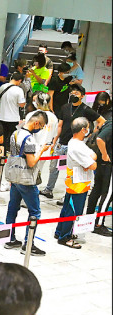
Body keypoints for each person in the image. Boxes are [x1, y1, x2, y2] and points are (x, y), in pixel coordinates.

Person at [43, 85, 105, 199]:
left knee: (72, 171)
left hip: (75, 146)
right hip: (62, 143)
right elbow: (60, 125)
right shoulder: (65, 107)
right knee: (54, 168)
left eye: (77, 92)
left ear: (82, 96)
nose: (74, 94)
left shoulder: (86, 109)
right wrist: (55, 140)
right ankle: (49, 189)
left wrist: (91, 135)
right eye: (72, 92)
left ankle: (67, 194)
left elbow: (101, 121)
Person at [3, 112, 51, 255]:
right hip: (26, 179)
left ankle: (9, 238)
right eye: (41, 126)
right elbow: (31, 162)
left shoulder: (15, 133)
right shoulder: (29, 139)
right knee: (35, 211)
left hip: (14, 177)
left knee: (13, 207)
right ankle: (28, 244)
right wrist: (42, 150)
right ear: (36, 123)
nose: (40, 129)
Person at [54, 117, 98, 248]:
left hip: (78, 180)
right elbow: (93, 165)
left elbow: (93, 155)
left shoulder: (76, 142)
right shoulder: (77, 147)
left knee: (68, 207)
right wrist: (89, 163)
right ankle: (65, 237)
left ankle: (60, 231)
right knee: (73, 210)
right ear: (84, 130)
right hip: (78, 182)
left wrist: (89, 162)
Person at [87, 92, 112, 236]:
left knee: (97, 190)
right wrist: (104, 154)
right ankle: (98, 223)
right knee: (107, 193)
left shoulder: (107, 120)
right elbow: (100, 139)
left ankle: (90, 218)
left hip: (101, 163)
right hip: (108, 164)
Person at [0, 72, 26, 151]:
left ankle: (1, 154)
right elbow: (22, 104)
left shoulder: (2, 87)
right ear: (19, 80)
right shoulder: (19, 90)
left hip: (0, 116)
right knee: (12, 138)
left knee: (3, 137)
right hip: (13, 118)